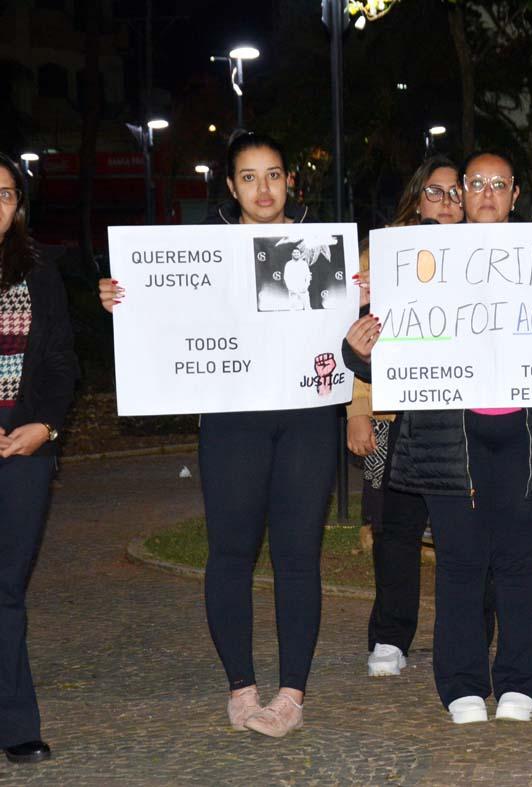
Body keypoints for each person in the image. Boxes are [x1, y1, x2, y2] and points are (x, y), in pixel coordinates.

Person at [344, 150, 532, 724]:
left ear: (515, 194)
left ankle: (524, 680)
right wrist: (359, 349)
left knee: (520, 562)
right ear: (460, 194)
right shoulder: (416, 262)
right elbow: (389, 363)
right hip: (447, 437)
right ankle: (461, 683)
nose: (484, 193)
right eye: (474, 183)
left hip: (531, 437)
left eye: (498, 184)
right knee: (458, 562)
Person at [99, 132, 335, 738]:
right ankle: (241, 687)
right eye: (249, 177)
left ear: (291, 182)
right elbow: (164, 323)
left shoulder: (325, 251)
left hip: (307, 420)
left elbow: (353, 350)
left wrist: (358, 307)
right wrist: (124, 301)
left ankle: (291, 695)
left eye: (274, 174)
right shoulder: (200, 255)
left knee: (297, 558)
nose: (264, 188)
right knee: (230, 555)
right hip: (233, 422)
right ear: (231, 187)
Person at [344, 155, 482, 679]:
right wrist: (359, 413)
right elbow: (362, 334)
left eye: (455, 193)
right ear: (415, 198)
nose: (447, 203)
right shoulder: (382, 255)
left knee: (461, 536)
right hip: (391, 412)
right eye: (435, 192)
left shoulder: (487, 252)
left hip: (463, 415)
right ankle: (389, 636)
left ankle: (464, 638)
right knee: (395, 530)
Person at [0, 153, 78, 765]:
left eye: (4, 194)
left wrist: (45, 429)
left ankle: (15, 723)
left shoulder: (40, 269)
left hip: (23, 444)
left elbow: (60, 363)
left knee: (6, 589)